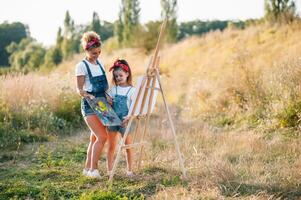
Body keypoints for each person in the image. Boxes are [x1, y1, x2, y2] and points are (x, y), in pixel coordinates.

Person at [75, 31, 108, 179]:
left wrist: (108, 96)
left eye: (99, 52)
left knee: (94, 138)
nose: (97, 55)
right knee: (102, 137)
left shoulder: (100, 64)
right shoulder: (81, 66)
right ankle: (94, 170)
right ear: (86, 50)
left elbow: (104, 87)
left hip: (102, 103)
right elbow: (79, 89)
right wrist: (87, 94)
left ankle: (87, 169)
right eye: (94, 53)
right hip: (89, 104)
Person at [106, 59, 135, 177]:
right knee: (111, 146)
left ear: (127, 74)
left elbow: (134, 107)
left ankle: (129, 170)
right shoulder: (114, 89)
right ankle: (110, 170)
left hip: (125, 121)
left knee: (128, 146)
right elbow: (108, 100)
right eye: (116, 76)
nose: (118, 78)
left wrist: (129, 117)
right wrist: (108, 100)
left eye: (121, 75)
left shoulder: (132, 90)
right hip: (113, 120)